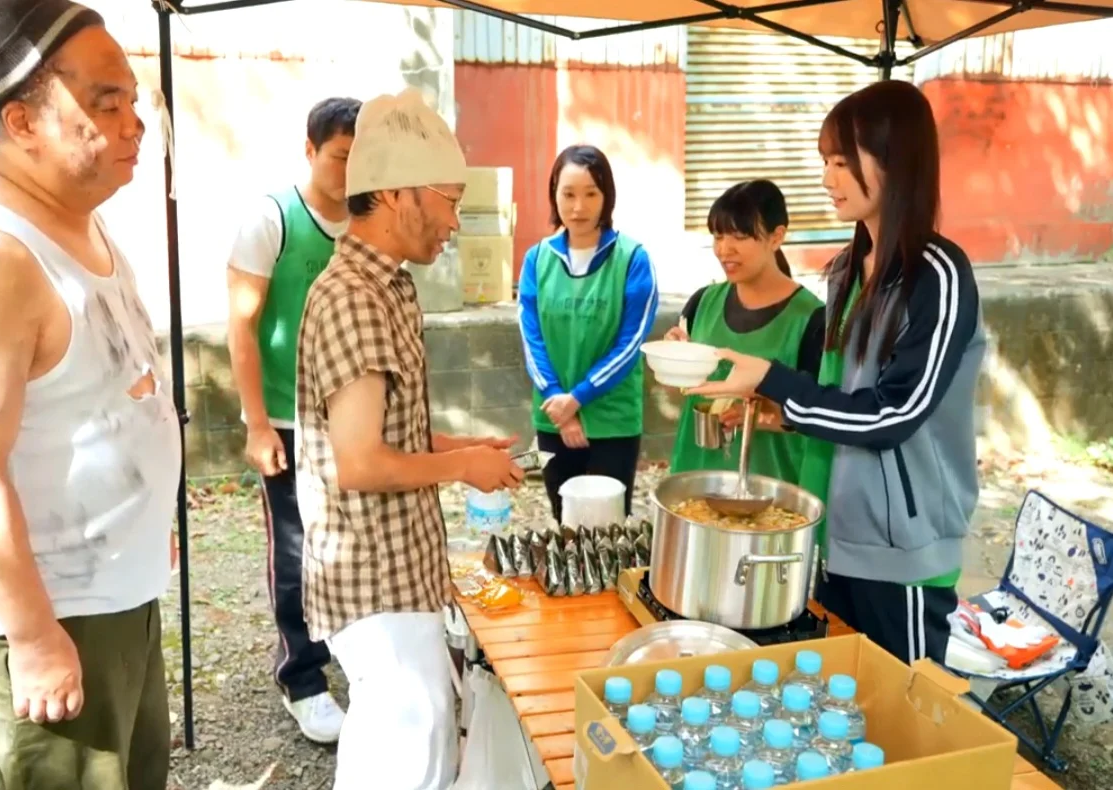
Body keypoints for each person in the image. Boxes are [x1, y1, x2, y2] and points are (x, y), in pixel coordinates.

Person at [0, 1, 181, 786]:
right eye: (106, 104)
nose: (134, 123)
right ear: (22, 121)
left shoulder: (75, 215)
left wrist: (147, 522)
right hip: (62, 617)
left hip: (115, 596)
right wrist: (35, 639)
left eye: (133, 101)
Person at [686, 80, 986, 666]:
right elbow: (841, 398)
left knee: (906, 704)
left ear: (896, 161)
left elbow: (894, 413)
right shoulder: (846, 269)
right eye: (826, 160)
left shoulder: (938, 275)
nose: (827, 177)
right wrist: (780, 415)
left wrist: (772, 378)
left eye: (844, 162)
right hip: (829, 534)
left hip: (903, 553)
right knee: (840, 699)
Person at [294, 87, 525, 790]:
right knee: (401, 759)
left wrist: (459, 447)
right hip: (373, 580)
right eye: (449, 200)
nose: (455, 221)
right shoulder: (352, 297)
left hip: (401, 564)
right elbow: (360, 462)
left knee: (421, 746)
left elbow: (390, 428)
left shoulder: (391, 286)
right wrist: (459, 467)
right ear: (396, 195)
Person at [225, 95, 360, 743]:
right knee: (296, 550)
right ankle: (301, 677)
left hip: (352, 418)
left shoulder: (368, 222)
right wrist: (256, 422)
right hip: (286, 418)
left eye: (361, 159)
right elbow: (242, 327)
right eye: (339, 157)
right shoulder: (271, 220)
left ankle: (351, 655)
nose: (350, 172)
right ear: (309, 151)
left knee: (351, 545)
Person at [518, 144, 658, 524]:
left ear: (606, 196)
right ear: (554, 195)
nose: (578, 207)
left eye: (591, 194)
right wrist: (560, 406)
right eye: (568, 194)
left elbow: (630, 344)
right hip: (552, 415)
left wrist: (578, 398)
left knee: (607, 528)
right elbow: (532, 340)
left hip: (612, 420)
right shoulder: (537, 259)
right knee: (565, 521)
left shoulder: (633, 259)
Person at [667, 180, 825, 483]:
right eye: (718, 236)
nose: (724, 249)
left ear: (776, 237)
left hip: (769, 489)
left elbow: (820, 416)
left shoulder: (813, 320)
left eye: (740, 237)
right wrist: (674, 360)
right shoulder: (702, 302)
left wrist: (753, 414)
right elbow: (683, 393)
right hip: (693, 478)